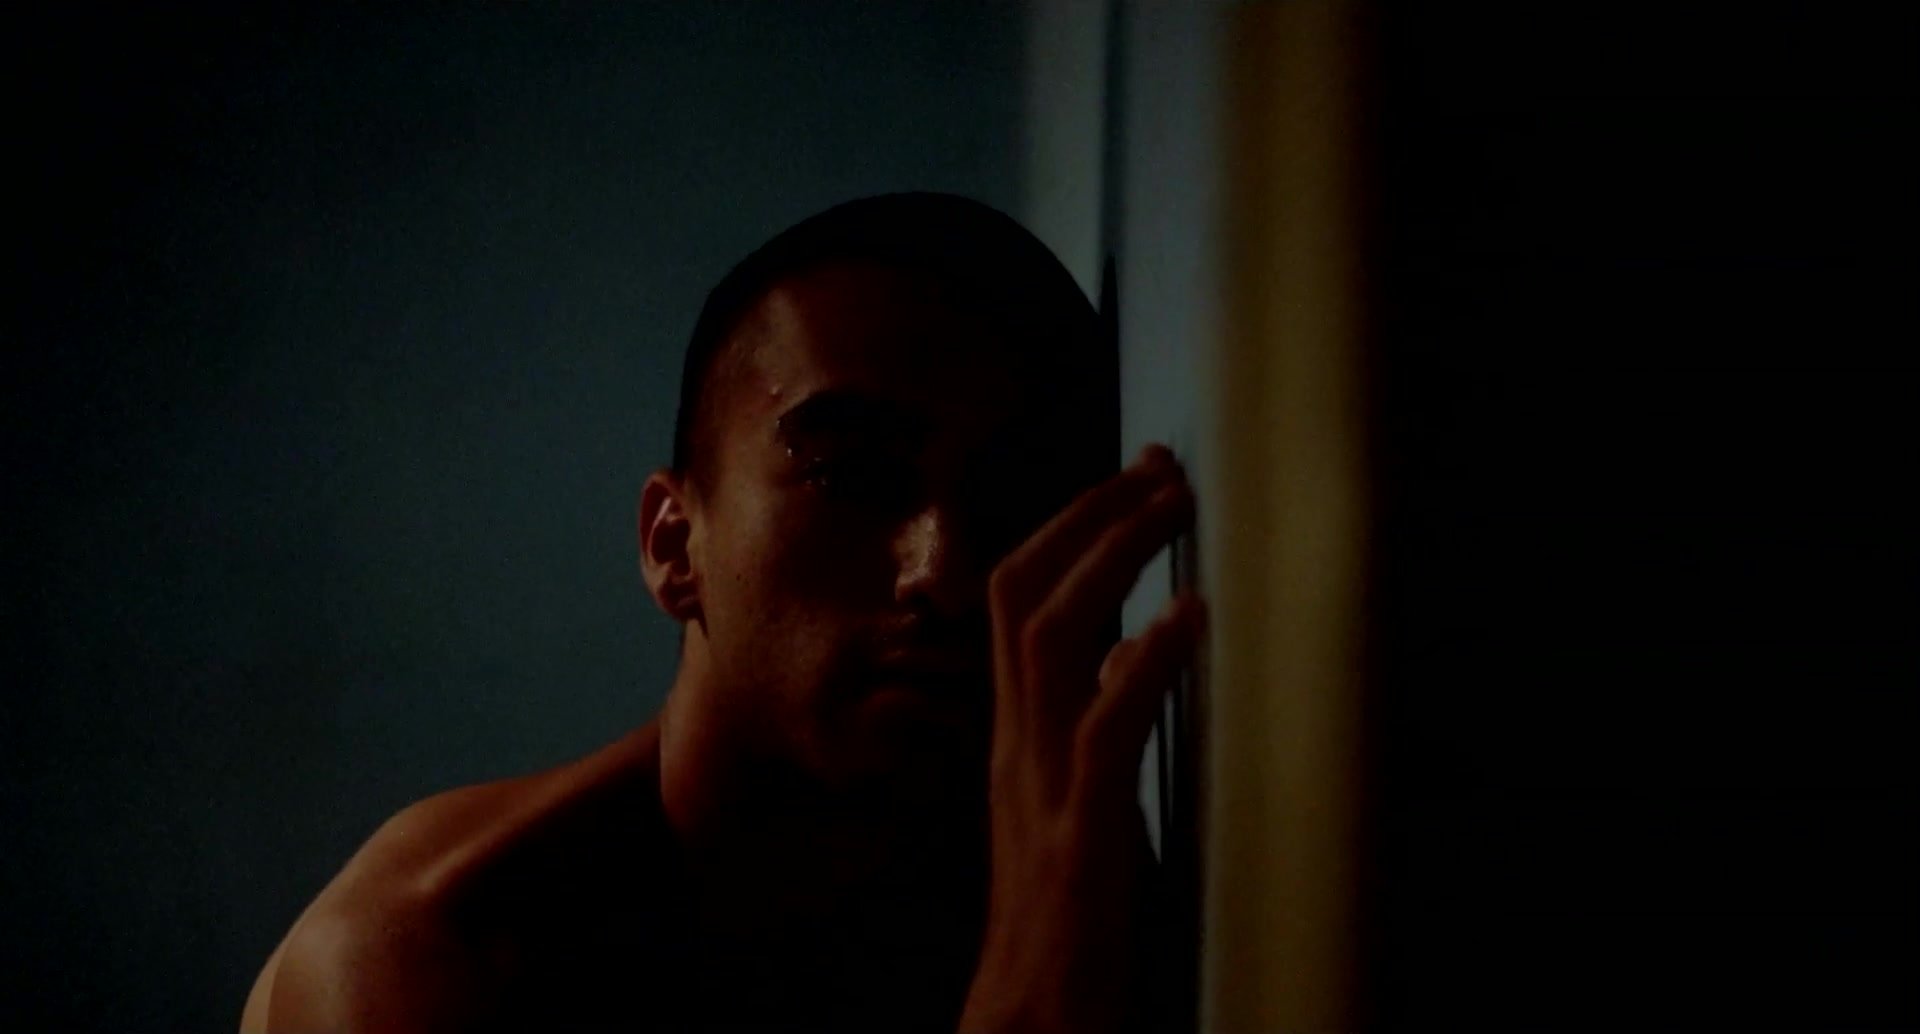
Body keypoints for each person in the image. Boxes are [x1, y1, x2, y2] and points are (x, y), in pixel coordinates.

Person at [238, 193, 1204, 1033]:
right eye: (852, 477)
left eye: (1017, 501)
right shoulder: (430, 952)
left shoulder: (1061, 878)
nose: (945, 575)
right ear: (673, 544)